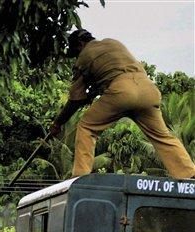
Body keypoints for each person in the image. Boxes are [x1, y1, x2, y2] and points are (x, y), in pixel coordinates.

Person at [50, 29, 195, 180]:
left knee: (86, 127)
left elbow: (76, 99)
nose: (76, 56)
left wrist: (58, 123)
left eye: (76, 51)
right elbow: (110, 71)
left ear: (80, 44)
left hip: (121, 92)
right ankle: (189, 172)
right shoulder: (113, 43)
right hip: (148, 90)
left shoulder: (84, 57)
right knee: (162, 136)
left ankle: (80, 176)